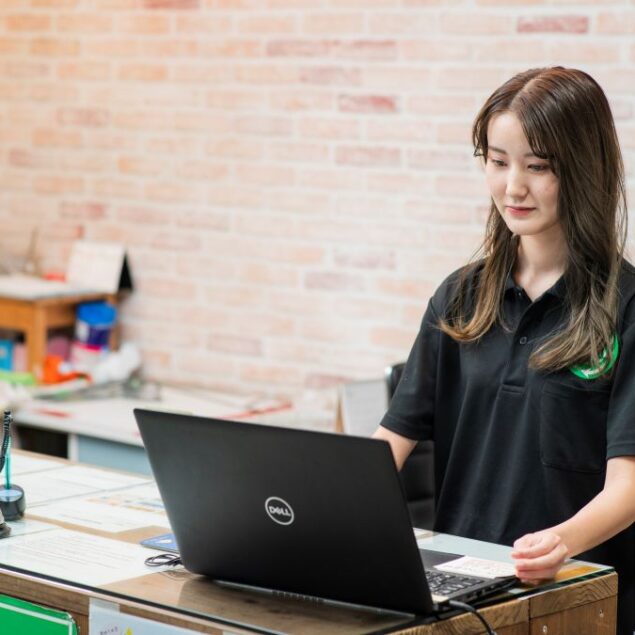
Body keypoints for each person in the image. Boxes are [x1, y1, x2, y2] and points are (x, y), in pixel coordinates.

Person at [374, 66, 635, 634]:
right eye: (497, 161)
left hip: (572, 594)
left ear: (584, 168)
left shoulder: (626, 308)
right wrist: (310, 515)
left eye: (537, 166)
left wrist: (561, 542)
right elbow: (388, 443)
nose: (513, 187)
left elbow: (628, 486)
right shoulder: (460, 297)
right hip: (460, 593)